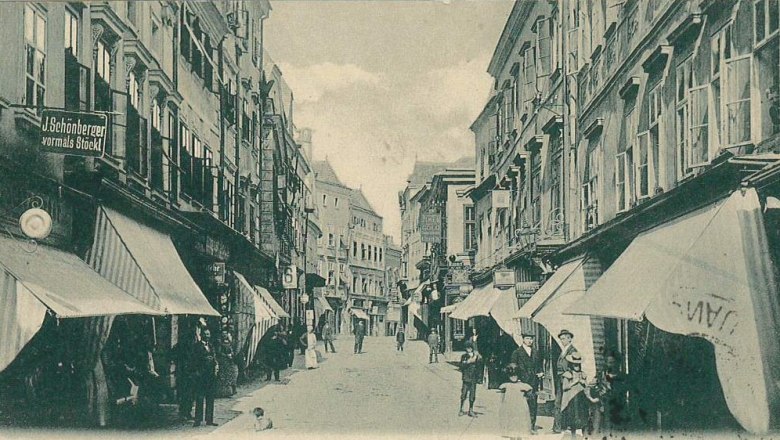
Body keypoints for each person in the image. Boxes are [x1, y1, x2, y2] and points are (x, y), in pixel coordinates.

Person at [510, 331, 544, 433]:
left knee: (533, 405)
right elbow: (512, 369)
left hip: (533, 382)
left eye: (531, 339)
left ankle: (532, 426)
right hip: (522, 383)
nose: (530, 341)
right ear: (523, 339)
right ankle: (520, 426)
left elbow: (539, 366)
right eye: (528, 338)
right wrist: (517, 380)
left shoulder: (536, 352)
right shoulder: (516, 352)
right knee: (521, 405)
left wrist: (541, 372)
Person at [560, 352, 599, 437]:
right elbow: (564, 387)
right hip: (572, 399)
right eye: (574, 365)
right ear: (571, 365)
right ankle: (573, 435)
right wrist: (575, 382)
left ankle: (583, 435)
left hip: (581, 398)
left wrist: (584, 382)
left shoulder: (583, 374)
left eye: (578, 365)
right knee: (573, 417)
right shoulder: (568, 374)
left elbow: (586, 386)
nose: (576, 367)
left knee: (583, 416)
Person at [191, 329, 219, 427]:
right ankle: (197, 420)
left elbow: (214, 358)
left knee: (210, 397)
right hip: (201, 376)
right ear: (201, 335)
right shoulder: (197, 346)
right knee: (199, 397)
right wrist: (197, 372)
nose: (207, 336)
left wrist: (215, 365)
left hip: (210, 375)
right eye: (205, 334)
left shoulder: (211, 346)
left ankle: (209, 420)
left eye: (208, 334)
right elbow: (194, 360)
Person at [553, 329, 578, 433]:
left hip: (568, 382)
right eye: (561, 339)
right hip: (561, 381)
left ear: (569, 339)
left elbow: (577, 367)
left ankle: (563, 426)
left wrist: (570, 373)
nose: (562, 341)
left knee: (565, 403)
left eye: (563, 338)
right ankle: (559, 426)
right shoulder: (564, 351)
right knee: (559, 403)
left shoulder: (573, 351)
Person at [498, 365, 533, 440]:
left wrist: (525, 398)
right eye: (511, 375)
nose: (513, 377)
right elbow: (502, 397)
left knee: (520, 425)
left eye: (515, 375)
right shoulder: (506, 386)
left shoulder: (523, 386)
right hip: (511, 408)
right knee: (512, 426)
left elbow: (529, 394)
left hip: (520, 409)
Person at [459, 342, 483, 417]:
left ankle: (471, 410)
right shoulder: (464, 356)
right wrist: (467, 362)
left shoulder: (476, 356)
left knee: (472, 395)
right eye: (467, 348)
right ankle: (461, 409)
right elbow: (461, 366)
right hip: (466, 378)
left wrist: (479, 357)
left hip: (473, 378)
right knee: (463, 394)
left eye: (470, 348)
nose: (469, 349)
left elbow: (480, 366)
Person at [216, 333, 238, 397]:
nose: (224, 335)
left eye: (225, 334)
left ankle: (232, 390)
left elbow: (231, 350)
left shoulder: (229, 342)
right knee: (224, 376)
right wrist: (226, 356)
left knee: (231, 375)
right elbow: (219, 352)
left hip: (230, 361)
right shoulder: (220, 343)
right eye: (223, 334)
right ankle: (224, 393)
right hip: (223, 361)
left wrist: (231, 354)